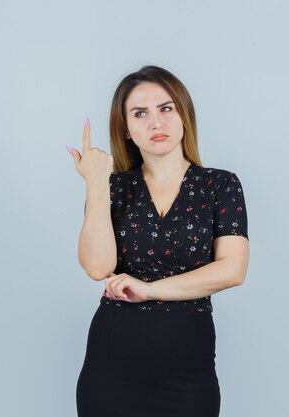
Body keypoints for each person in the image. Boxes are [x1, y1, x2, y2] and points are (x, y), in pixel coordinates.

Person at [67, 65, 250, 417]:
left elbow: (233, 269)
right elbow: (97, 266)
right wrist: (96, 183)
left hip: (187, 370)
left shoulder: (220, 185)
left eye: (166, 108)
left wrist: (150, 289)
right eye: (140, 113)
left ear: (184, 114)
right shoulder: (114, 187)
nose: (156, 122)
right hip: (111, 366)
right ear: (126, 129)